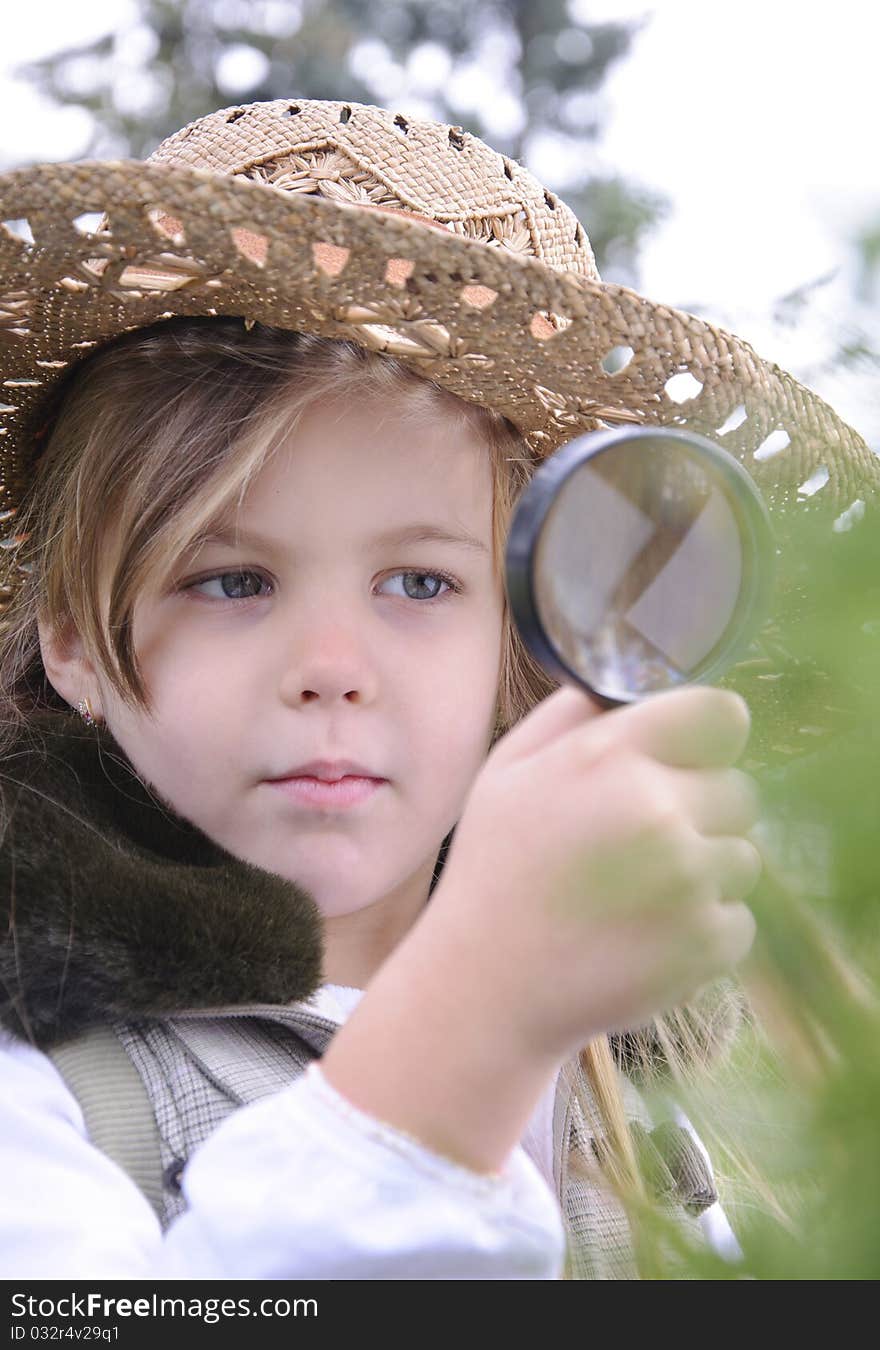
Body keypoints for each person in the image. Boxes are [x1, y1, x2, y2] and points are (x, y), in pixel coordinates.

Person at [0, 98, 874, 1281]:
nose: (330, 671)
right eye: (231, 580)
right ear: (74, 641)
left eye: (417, 581)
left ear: (535, 635)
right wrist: (472, 1019)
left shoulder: (620, 1095)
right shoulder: (45, 1088)